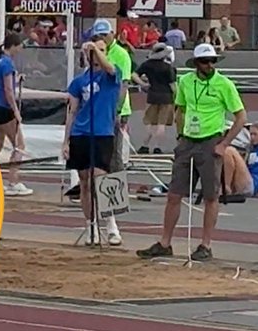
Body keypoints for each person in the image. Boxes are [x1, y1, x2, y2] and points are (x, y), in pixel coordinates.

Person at [137, 43, 247, 263]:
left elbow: (241, 116)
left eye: (212, 61)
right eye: (205, 61)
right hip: (188, 141)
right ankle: (165, 243)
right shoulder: (186, 82)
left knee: (210, 195)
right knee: (174, 194)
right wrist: (180, 136)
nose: (209, 65)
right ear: (196, 63)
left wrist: (224, 144)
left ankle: (206, 245)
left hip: (210, 141)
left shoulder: (224, 84)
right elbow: (181, 109)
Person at [62, 39, 124, 246]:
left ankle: (111, 223)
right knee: (85, 180)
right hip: (81, 132)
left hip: (103, 132)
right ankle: (90, 224)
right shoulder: (79, 82)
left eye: (101, 51)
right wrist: (66, 140)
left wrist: (96, 50)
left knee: (102, 177)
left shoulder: (112, 75)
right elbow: (72, 111)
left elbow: (109, 68)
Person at [0, 32, 32, 197]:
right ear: (14, 45)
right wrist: (16, 110)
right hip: (5, 109)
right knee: (19, 145)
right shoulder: (7, 63)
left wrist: (17, 78)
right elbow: (8, 90)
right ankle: (13, 181)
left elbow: (2, 83)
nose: (21, 49)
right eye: (20, 46)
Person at [135, 42, 176, 155]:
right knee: (161, 124)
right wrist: (176, 98)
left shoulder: (147, 64)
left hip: (152, 94)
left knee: (150, 122)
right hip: (166, 96)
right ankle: (157, 147)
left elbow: (134, 74)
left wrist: (143, 84)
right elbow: (173, 85)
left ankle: (145, 145)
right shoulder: (168, 67)